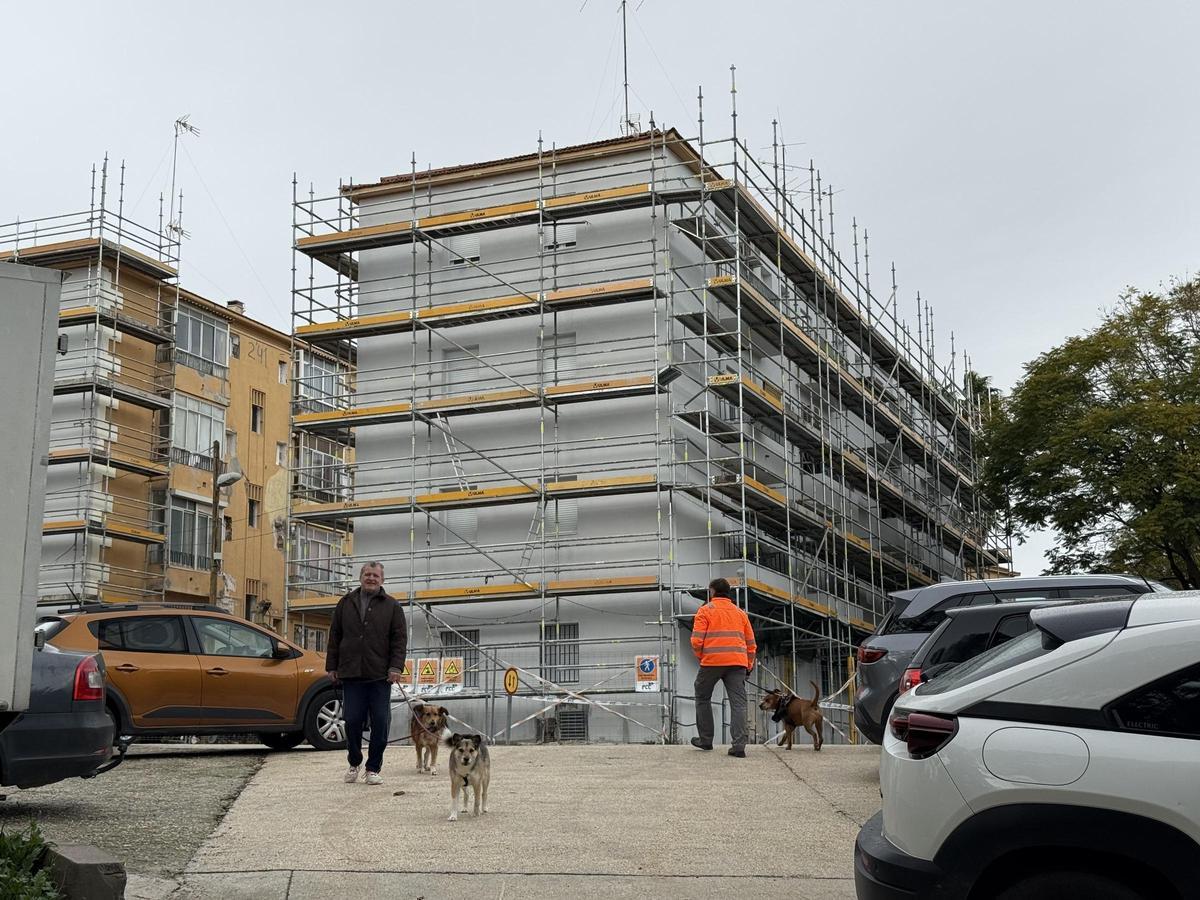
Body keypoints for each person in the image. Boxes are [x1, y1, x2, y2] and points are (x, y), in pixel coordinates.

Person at [326, 561, 407, 785]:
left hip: (380, 675)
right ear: (360, 577)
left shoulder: (392, 606)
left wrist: (395, 667)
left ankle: (373, 768)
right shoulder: (345, 603)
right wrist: (332, 666)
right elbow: (335, 636)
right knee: (351, 720)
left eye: (375, 576)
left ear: (382, 580)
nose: (371, 578)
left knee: (381, 722)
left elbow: (399, 641)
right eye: (367, 575)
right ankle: (354, 762)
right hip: (351, 674)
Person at [690, 577, 757, 758]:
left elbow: (696, 640)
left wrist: (703, 657)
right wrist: (748, 666)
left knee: (702, 696)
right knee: (738, 704)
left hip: (711, 663)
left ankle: (706, 740)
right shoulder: (740, 613)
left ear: (712, 591)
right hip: (737, 663)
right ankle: (738, 746)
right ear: (728, 593)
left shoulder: (705, 611)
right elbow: (751, 644)